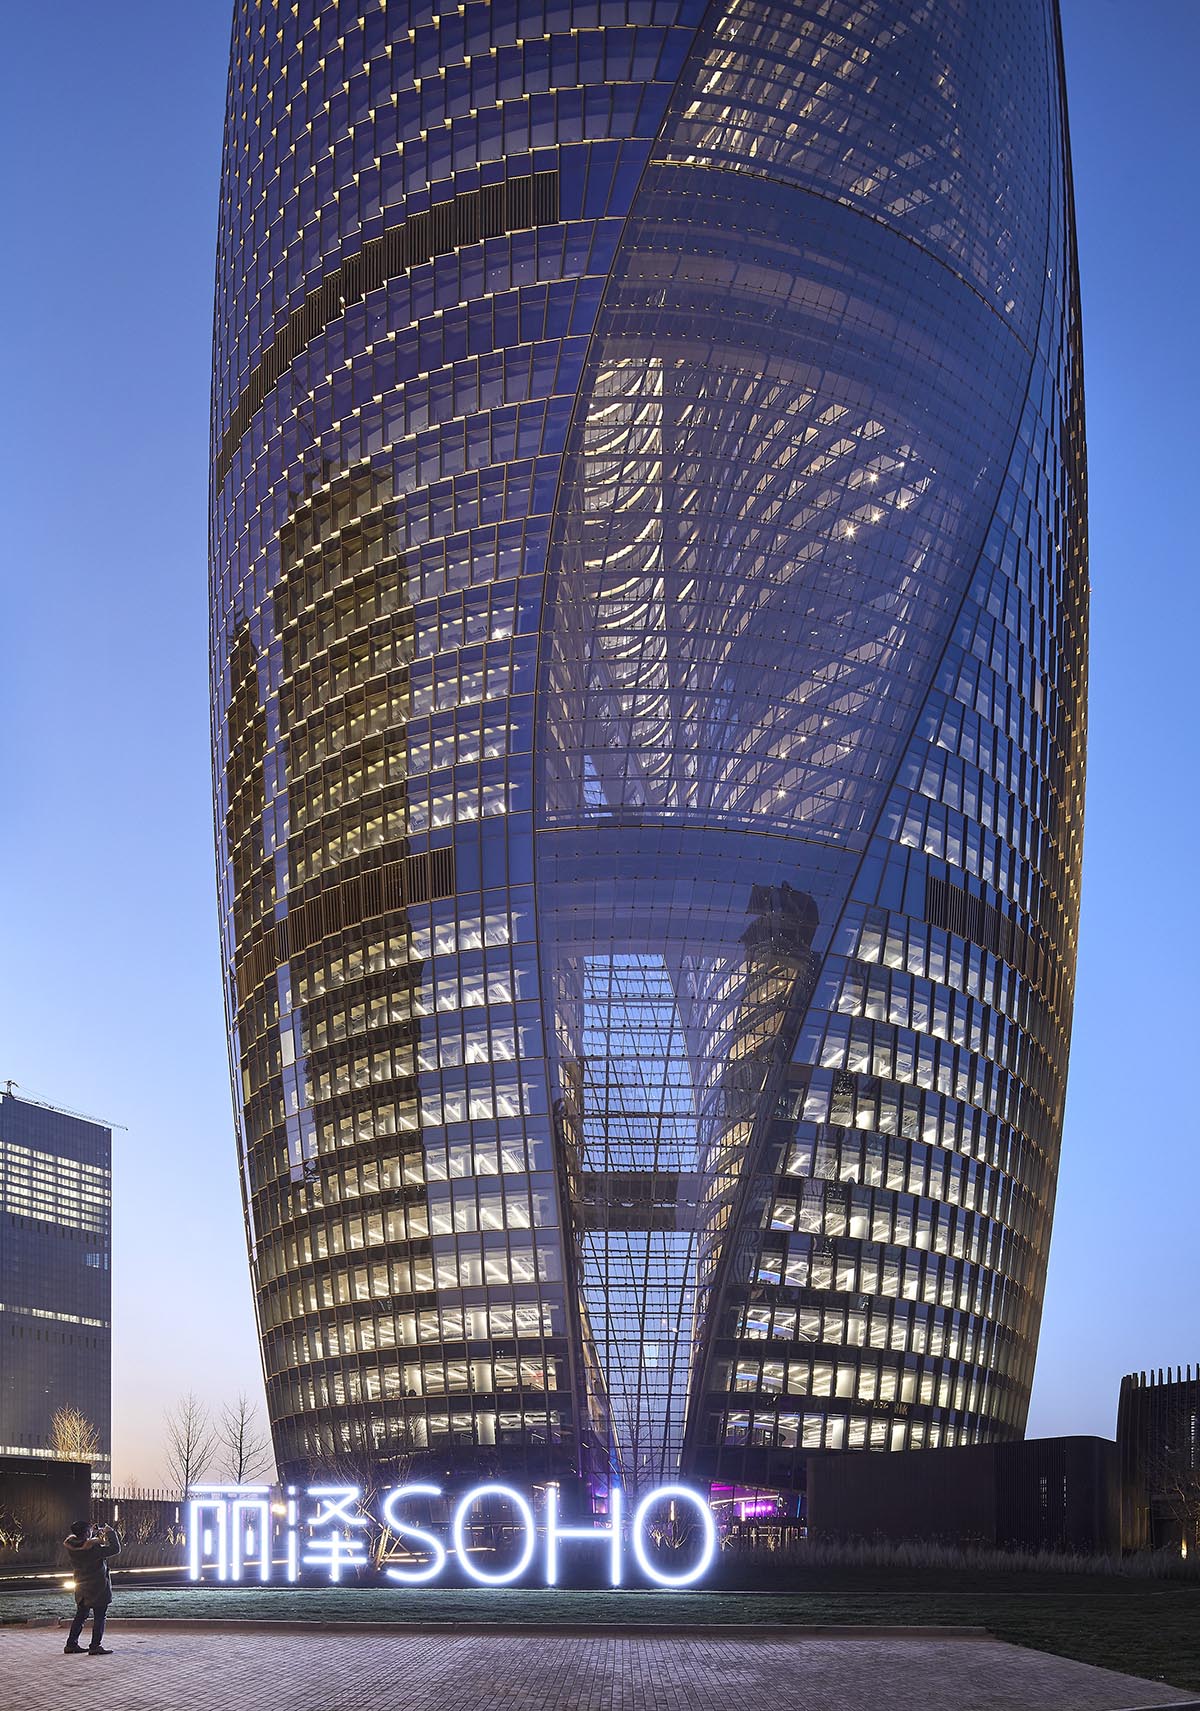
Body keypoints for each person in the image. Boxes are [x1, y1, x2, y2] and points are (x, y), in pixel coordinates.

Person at [62, 1520, 121, 1656]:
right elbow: (115, 1549)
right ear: (86, 1532)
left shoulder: (71, 1547)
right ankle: (95, 1646)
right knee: (100, 1617)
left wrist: (93, 1535)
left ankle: (71, 1644)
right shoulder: (93, 1549)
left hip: (82, 1587)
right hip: (97, 1587)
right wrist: (110, 1533)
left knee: (81, 1616)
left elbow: (85, 1543)